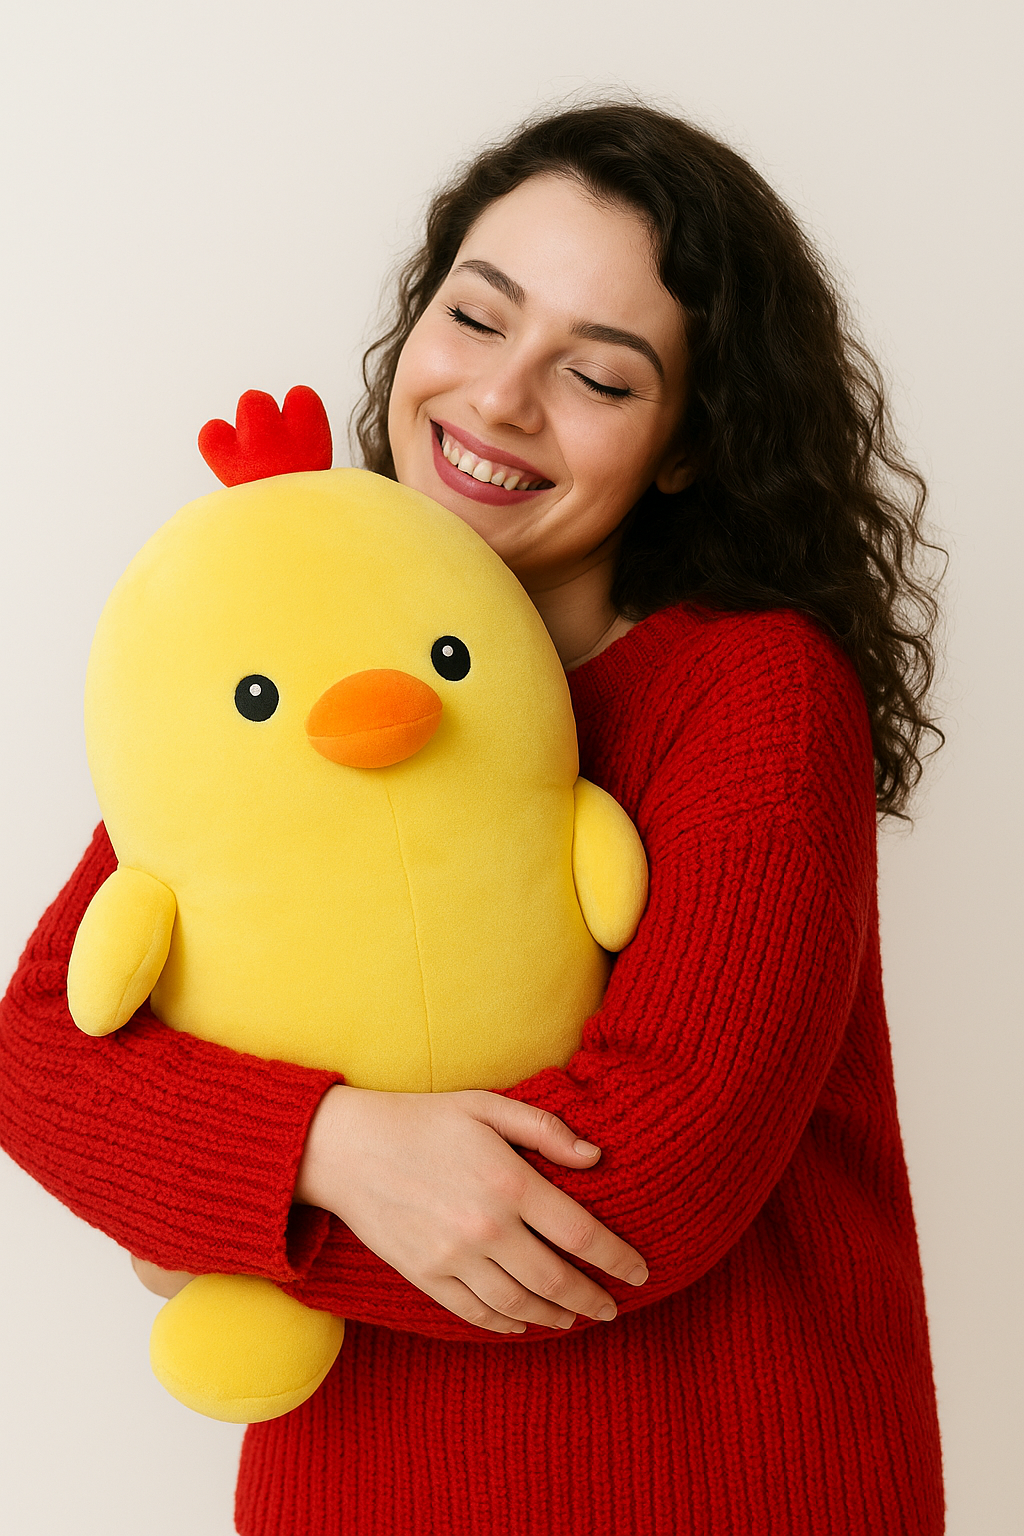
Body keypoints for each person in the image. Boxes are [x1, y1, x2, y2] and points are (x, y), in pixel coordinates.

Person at [0, 102, 946, 1534]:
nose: (501, 400)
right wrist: (323, 1149)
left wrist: (228, 1229)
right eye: (477, 317)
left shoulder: (754, 689)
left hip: (718, 1487)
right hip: (354, 1490)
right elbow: (44, 1047)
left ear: (689, 443)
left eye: (603, 379)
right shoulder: (296, 630)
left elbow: (640, 1190)